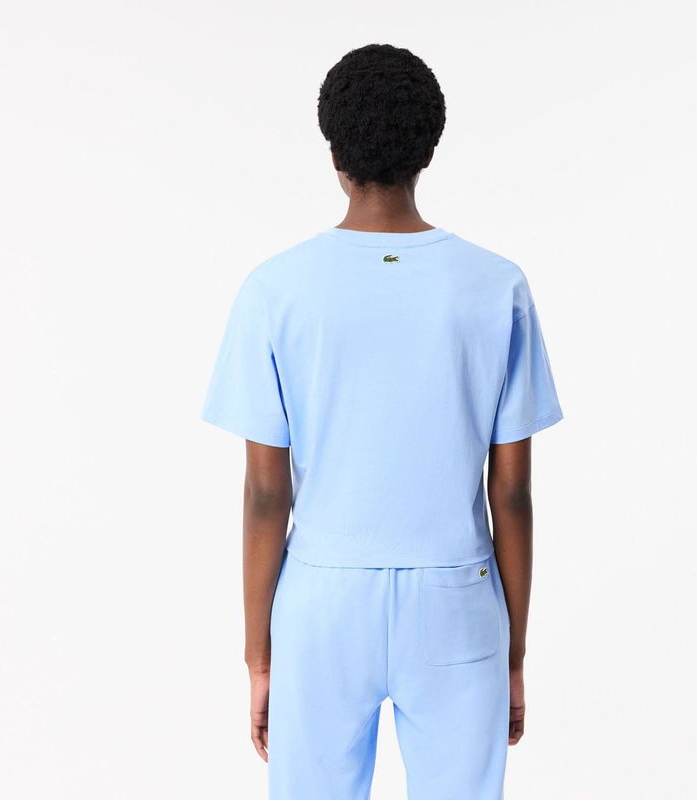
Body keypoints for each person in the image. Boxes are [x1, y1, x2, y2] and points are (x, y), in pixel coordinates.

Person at [200, 42, 563, 800]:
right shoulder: (496, 286)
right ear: (429, 149)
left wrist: (259, 658)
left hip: (321, 599)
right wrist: (513, 652)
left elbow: (266, 495)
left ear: (333, 151)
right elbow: (512, 492)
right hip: (458, 596)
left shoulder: (275, 290)